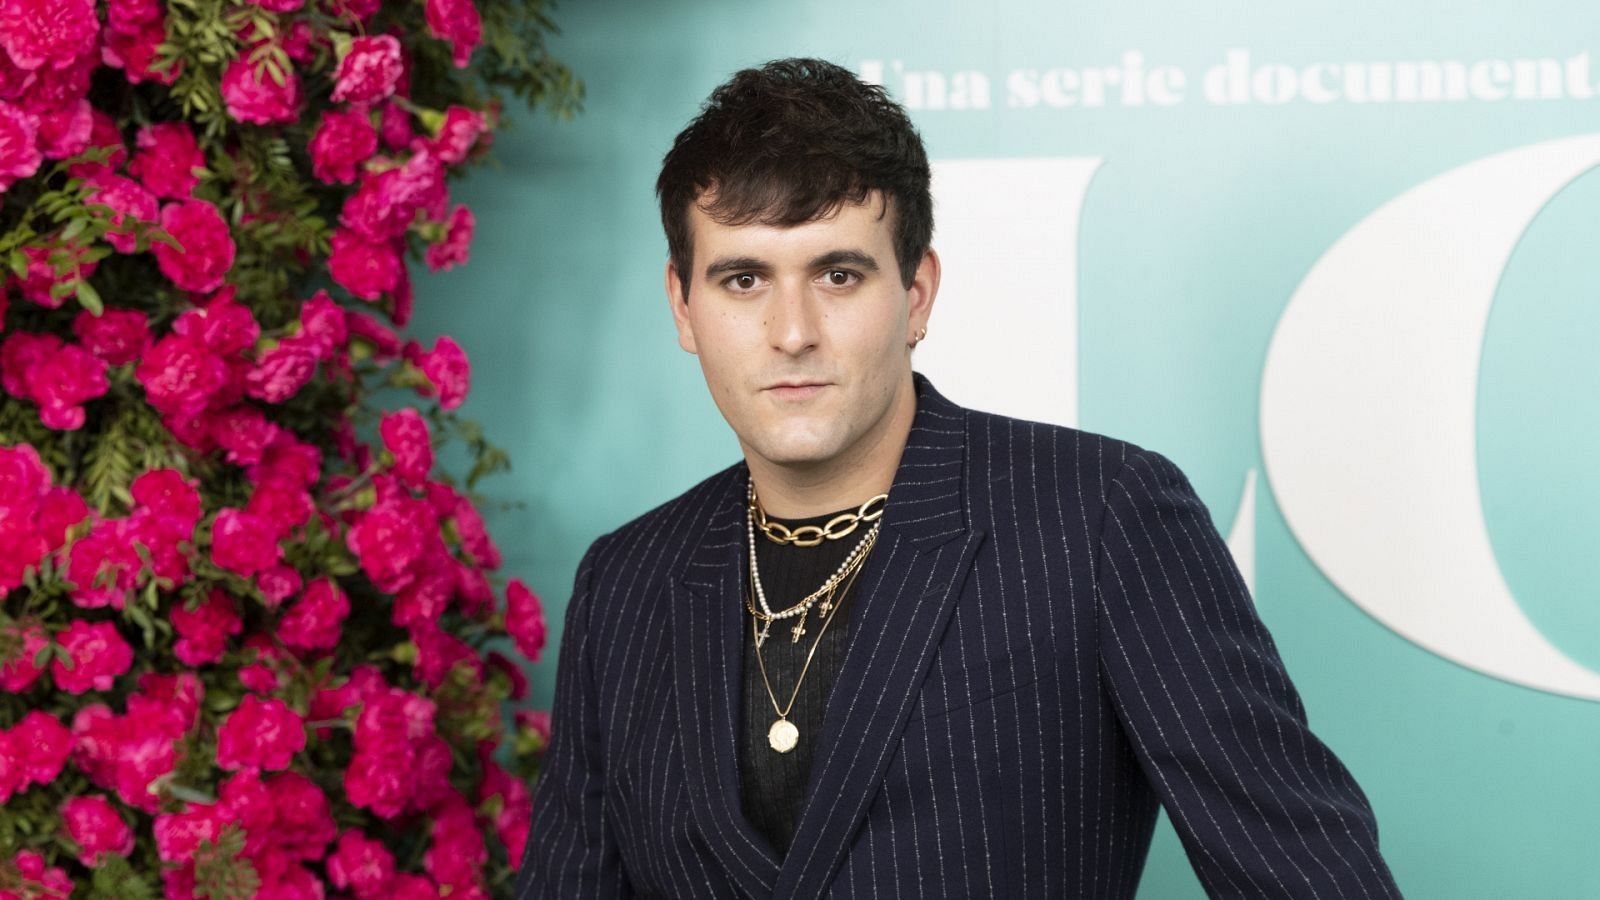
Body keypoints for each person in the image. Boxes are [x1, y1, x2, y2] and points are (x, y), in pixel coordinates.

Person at [513, 57, 1401, 899]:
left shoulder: (1100, 520)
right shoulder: (625, 582)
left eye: (838, 274)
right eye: (743, 279)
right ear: (683, 305)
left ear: (917, 294)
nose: (792, 331)